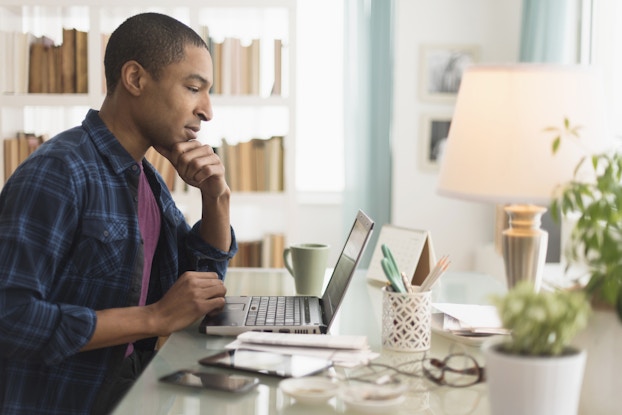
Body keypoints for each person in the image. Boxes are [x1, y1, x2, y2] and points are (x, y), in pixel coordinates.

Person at [0, 12, 237, 415]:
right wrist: (153, 318)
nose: (207, 111)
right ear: (136, 79)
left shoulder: (144, 176)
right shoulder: (59, 172)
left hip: (129, 384)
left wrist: (216, 197)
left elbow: (199, 288)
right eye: (193, 88)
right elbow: (11, 318)